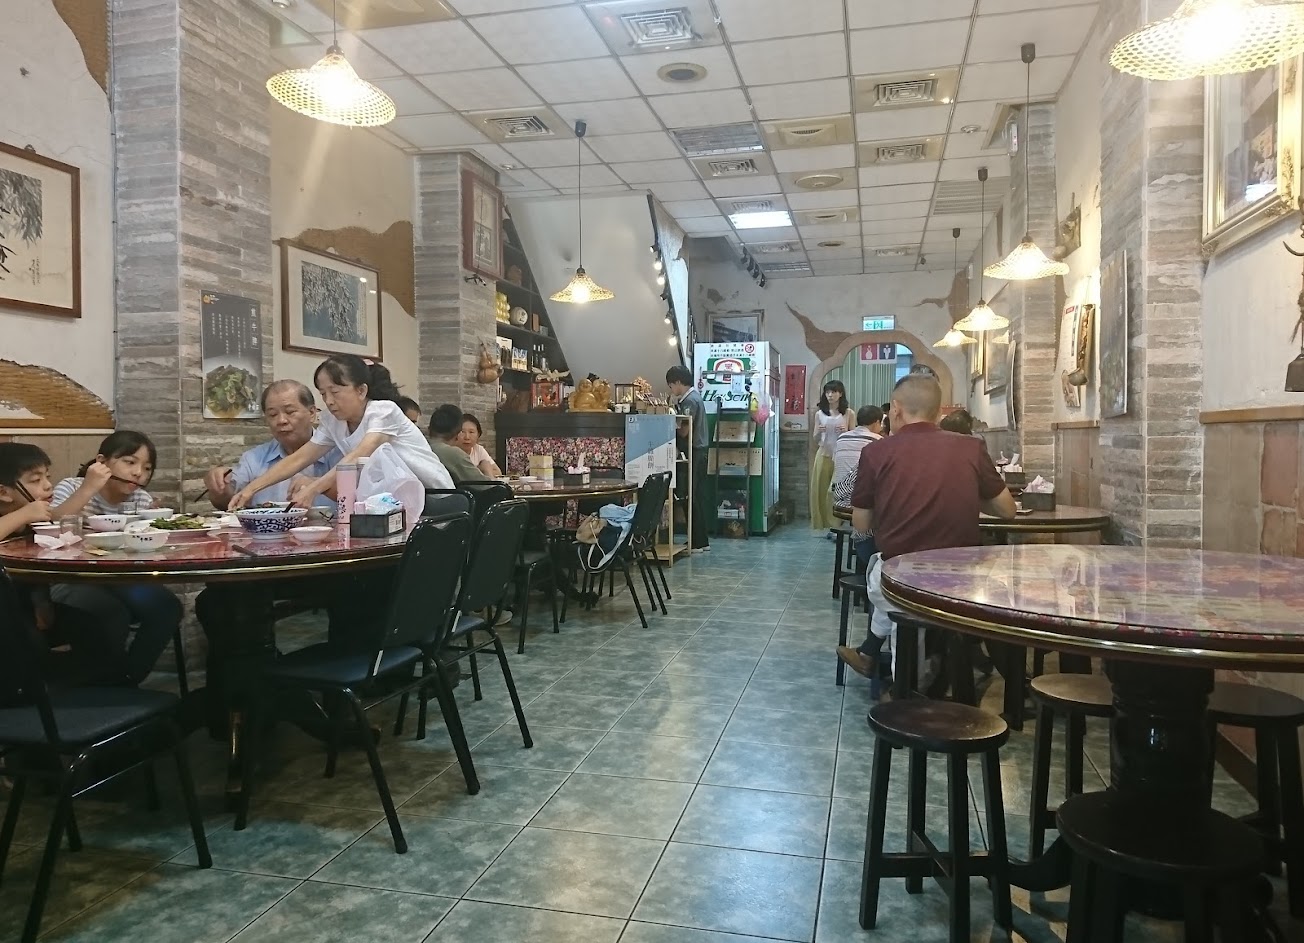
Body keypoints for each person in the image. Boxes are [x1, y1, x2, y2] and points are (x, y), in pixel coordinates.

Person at [836, 375, 1016, 687]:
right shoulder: (971, 447)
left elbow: (861, 523)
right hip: (963, 582)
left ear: (896, 408)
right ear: (938, 411)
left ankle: (903, 686)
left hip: (902, 576)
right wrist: (963, 494)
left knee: (881, 573)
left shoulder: (876, 452)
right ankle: (928, 670)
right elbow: (1008, 510)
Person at [228, 355, 453, 510]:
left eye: (334, 392)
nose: (328, 401)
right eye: (323, 394)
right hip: (393, 502)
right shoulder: (332, 421)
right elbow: (299, 458)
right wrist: (250, 489)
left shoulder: (384, 411)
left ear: (361, 390)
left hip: (435, 498)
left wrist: (313, 488)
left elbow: (358, 455)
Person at [49, 431, 184, 685]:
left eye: (147, 468)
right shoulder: (72, 487)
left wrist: (154, 524)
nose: (138, 473)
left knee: (167, 607)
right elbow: (51, 524)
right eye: (130, 462)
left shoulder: (140, 498)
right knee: (111, 613)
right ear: (101, 462)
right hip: (72, 577)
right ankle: (104, 686)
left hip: (119, 577)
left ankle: (127, 680)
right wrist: (89, 487)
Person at [0, 444, 131, 685]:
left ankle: (104, 691)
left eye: (47, 477)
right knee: (28, 646)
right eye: (36, 480)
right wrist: (23, 514)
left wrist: (42, 603)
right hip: (7, 617)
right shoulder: (21, 516)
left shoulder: (33, 520)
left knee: (93, 628)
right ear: (4, 492)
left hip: (28, 607)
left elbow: (36, 571)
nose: (48, 486)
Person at [204, 380, 341, 510]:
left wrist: (319, 484)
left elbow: (352, 494)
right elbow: (227, 503)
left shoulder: (338, 451)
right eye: (273, 414)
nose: (281, 420)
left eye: (290, 412)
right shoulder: (254, 459)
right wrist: (218, 488)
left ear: (312, 413)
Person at [830, 405, 884, 570]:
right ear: (876, 422)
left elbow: (836, 463)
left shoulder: (842, 438)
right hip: (857, 504)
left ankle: (862, 564)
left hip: (839, 502)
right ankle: (869, 565)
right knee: (878, 517)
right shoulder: (877, 441)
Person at [666, 365, 709, 552]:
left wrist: (670, 424)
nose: (671, 390)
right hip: (700, 451)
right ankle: (700, 541)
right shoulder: (695, 397)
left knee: (689, 496)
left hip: (694, 452)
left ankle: (697, 542)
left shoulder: (689, 401)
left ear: (677, 382)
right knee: (695, 496)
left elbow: (684, 431)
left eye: (671, 386)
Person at [811, 379, 855, 531]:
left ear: (840, 394)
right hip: (823, 454)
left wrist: (845, 431)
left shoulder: (849, 413)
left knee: (836, 491)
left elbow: (853, 436)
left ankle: (837, 524)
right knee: (820, 489)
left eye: (833, 392)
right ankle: (823, 524)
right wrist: (819, 431)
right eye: (827, 392)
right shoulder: (819, 414)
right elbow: (815, 438)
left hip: (841, 457)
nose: (830, 395)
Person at [428, 404, 490, 484]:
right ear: (457, 432)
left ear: (429, 429)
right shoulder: (453, 454)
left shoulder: (420, 447)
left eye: (471, 432)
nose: (467, 437)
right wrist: (487, 471)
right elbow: (488, 487)